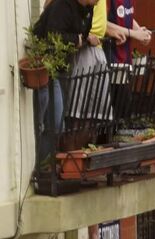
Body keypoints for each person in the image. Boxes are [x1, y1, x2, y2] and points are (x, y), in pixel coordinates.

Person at [31, 0, 99, 163]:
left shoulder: (88, 10)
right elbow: (52, 36)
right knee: (49, 121)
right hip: (44, 66)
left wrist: (84, 38)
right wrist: (77, 40)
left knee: (55, 124)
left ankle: (43, 165)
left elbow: (82, 33)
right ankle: (41, 166)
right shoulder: (62, 6)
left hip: (61, 67)